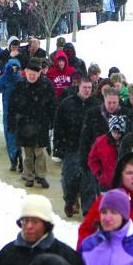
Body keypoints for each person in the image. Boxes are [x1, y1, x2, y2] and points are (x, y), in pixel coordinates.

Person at [7, 57, 57, 188]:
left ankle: (41, 176)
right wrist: (12, 122)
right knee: (27, 152)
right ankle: (29, 175)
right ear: (26, 72)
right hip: (24, 123)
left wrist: (52, 120)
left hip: (41, 123)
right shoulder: (20, 86)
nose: (32, 76)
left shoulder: (47, 85)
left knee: (40, 152)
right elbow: (12, 106)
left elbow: (52, 105)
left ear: (40, 73)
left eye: (35, 74)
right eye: (30, 74)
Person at [53, 79, 96, 217]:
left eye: (89, 87)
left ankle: (87, 207)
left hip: (89, 149)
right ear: (79, 87)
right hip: (70, 146)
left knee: (88, 180)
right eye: (85, 87)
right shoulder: (67, 104)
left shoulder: (96, 105)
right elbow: (58, 126)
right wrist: (58, 146)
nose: (87, 90)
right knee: (69, 177)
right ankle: (70, 201)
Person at [89, 115, 127, 191]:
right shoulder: (100, 141)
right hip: (105, 183)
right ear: (110, 129)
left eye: (120, 132)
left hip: (123, 183)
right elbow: (92, 159)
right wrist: (99, 173)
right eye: (115, 131)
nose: (117, 135)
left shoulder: (126, 141)